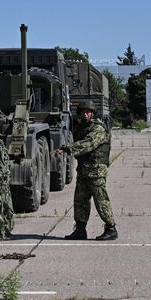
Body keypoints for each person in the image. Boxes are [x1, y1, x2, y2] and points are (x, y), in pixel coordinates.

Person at [54, 100, 117, 241]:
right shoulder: (82, 128)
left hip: (96, 171)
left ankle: (111, 228)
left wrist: (67, 148)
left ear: (93, 113)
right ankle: (80, 230)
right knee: (80, 201)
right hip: (83, 170)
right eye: (83, 112)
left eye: (88, 112)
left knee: (101, 200)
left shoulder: (98, 128)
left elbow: (88, 144)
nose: (86, 114)